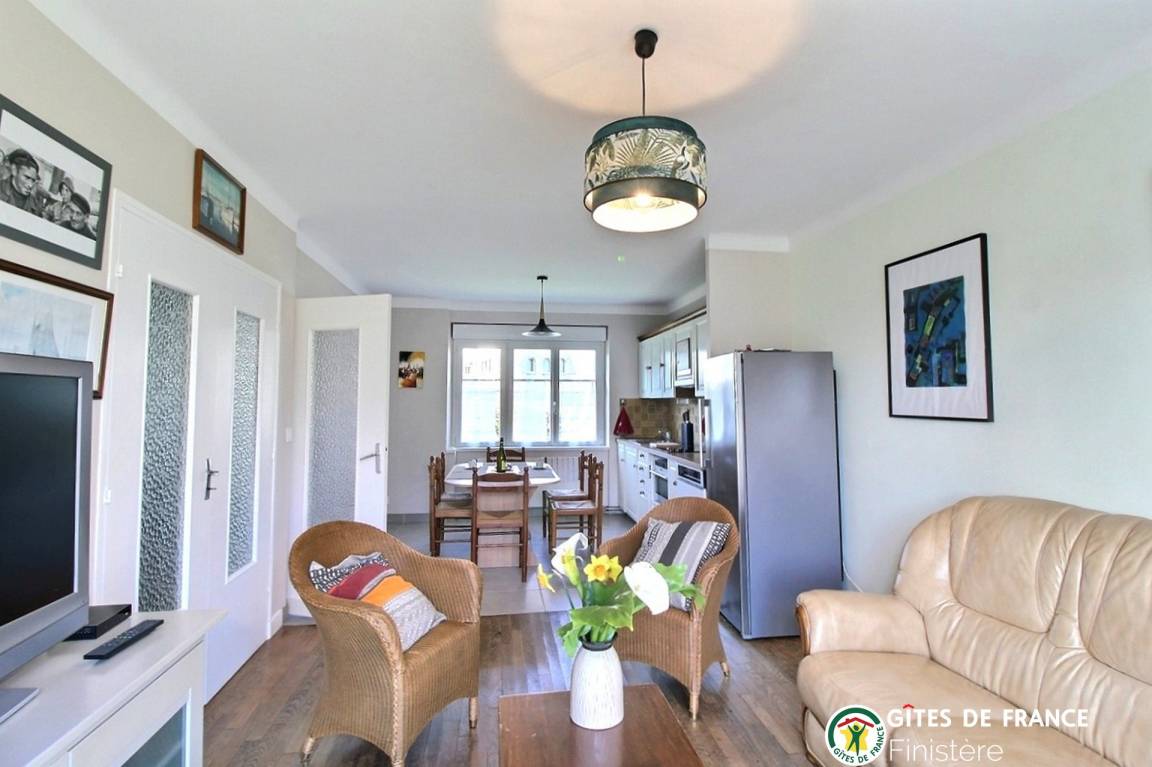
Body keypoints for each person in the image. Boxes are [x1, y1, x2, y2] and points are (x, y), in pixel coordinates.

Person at [0, 149, 47, 215]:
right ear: (14, 170)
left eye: (33, 180)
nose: (30, 185)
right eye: (27, 177)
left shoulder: (36, 204)